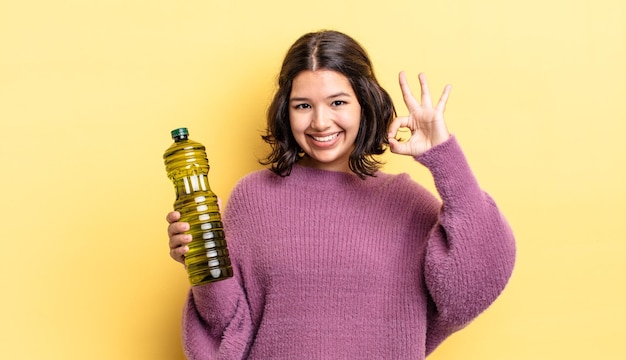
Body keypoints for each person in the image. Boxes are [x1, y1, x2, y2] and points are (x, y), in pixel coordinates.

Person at [166, 30, 516, 359]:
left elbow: (476, 284)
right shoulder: (253, 198)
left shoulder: (407, 204)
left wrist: (443, 154)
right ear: (285, 112)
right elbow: (227, 334)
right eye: (303, 105)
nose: (320, 122)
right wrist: (202, 267)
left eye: (337, 102)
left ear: (364, 103)